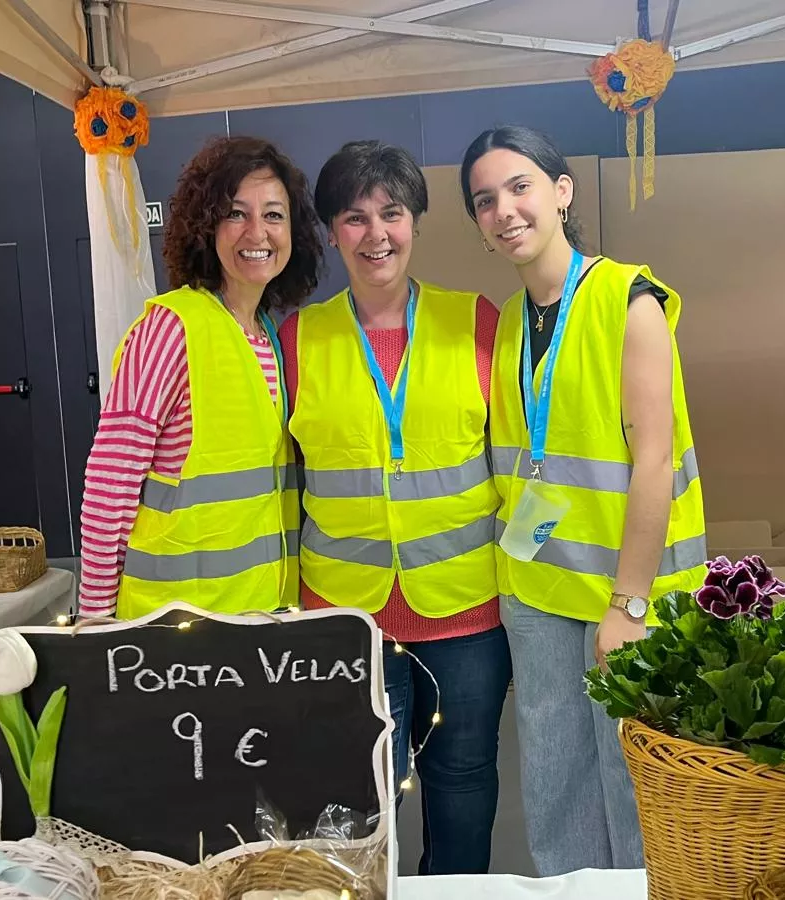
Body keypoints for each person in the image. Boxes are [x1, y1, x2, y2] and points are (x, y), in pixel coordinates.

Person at [460, 125, 708, 875]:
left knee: (637, 790)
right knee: (555, 787)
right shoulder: (509, 324)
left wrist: (628, 605)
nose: (504, 210)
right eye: (485, 200)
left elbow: (655, 461)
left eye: (520, 186)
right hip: (539, 592)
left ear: (562, 192)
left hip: (627, 595)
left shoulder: (627, 299)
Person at [280, 140, 511, 875]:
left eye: (392, 213)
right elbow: (284, 480)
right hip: (346, 617)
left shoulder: (475, 321)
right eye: (354, 217)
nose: (376, 234)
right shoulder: (297, 338)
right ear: (329, 232)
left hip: (468, 611)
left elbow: (514, 462)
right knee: (360, 800)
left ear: (415, 220)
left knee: (464, 781)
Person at [77, 135, 321, 619]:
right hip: (173, 630)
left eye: (274, 214)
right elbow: (111, 483)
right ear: (205, 226)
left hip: (258, 618)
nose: (258, 233)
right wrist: (96, 618)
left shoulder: (268, 336)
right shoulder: (170, 329)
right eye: (236, 213)